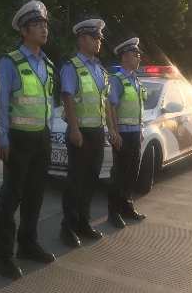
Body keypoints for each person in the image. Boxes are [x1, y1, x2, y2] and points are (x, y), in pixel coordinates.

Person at [0, 0, 56, 280]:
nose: (44, 29)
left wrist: (49, 131)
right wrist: (2, 137)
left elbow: (48, 101)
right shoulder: (11, 62)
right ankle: (2, 256)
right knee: (11, 198)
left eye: (45, 25)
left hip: (41, 138)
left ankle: (28, 244)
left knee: (35, 195)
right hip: (18, 139)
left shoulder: (48, 65)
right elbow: (1, 101)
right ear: (24, 30)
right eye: (37, 25)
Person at [59, 18, 119, 247]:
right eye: (95, 38)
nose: (99, 42)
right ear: (82, 39)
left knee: (91, 180)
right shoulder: (72, 66)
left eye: (100, 39)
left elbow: (106, 102)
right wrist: (74, 129)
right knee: (76, 181)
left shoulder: (100, 70)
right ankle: (68, 227)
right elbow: (67, 98)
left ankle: (83, 223)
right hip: (80, 132)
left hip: (96, 132)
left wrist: (111, 129)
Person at [108, 37, 147, 229]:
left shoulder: (135, 80)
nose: (138, 57)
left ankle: (126, 206)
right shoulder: (117, 79)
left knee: (132, 172)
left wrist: (140, 129)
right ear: (124, 57)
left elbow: (137, 107)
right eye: (135, 54)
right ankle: (113, 212)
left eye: (139, 54)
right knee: (119, 174)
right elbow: (111, 107)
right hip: (122, 134)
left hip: (134, 133)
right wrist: (115, 132)